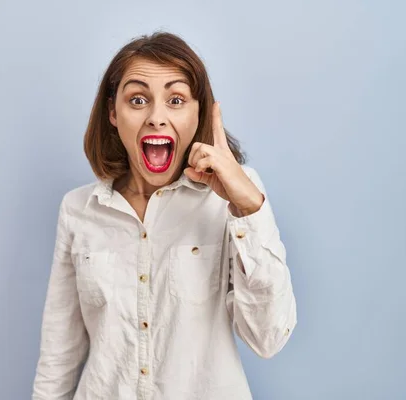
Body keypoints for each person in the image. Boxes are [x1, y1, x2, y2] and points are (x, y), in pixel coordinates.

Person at [32, 31, 297, 400]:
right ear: (112, 112)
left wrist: (249, 208)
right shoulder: (78, 209)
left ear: (198, 111)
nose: (157, 117)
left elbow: (268, 338)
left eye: (176, 100)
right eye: (138, 99)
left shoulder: (233, 200)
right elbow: (58, 354)